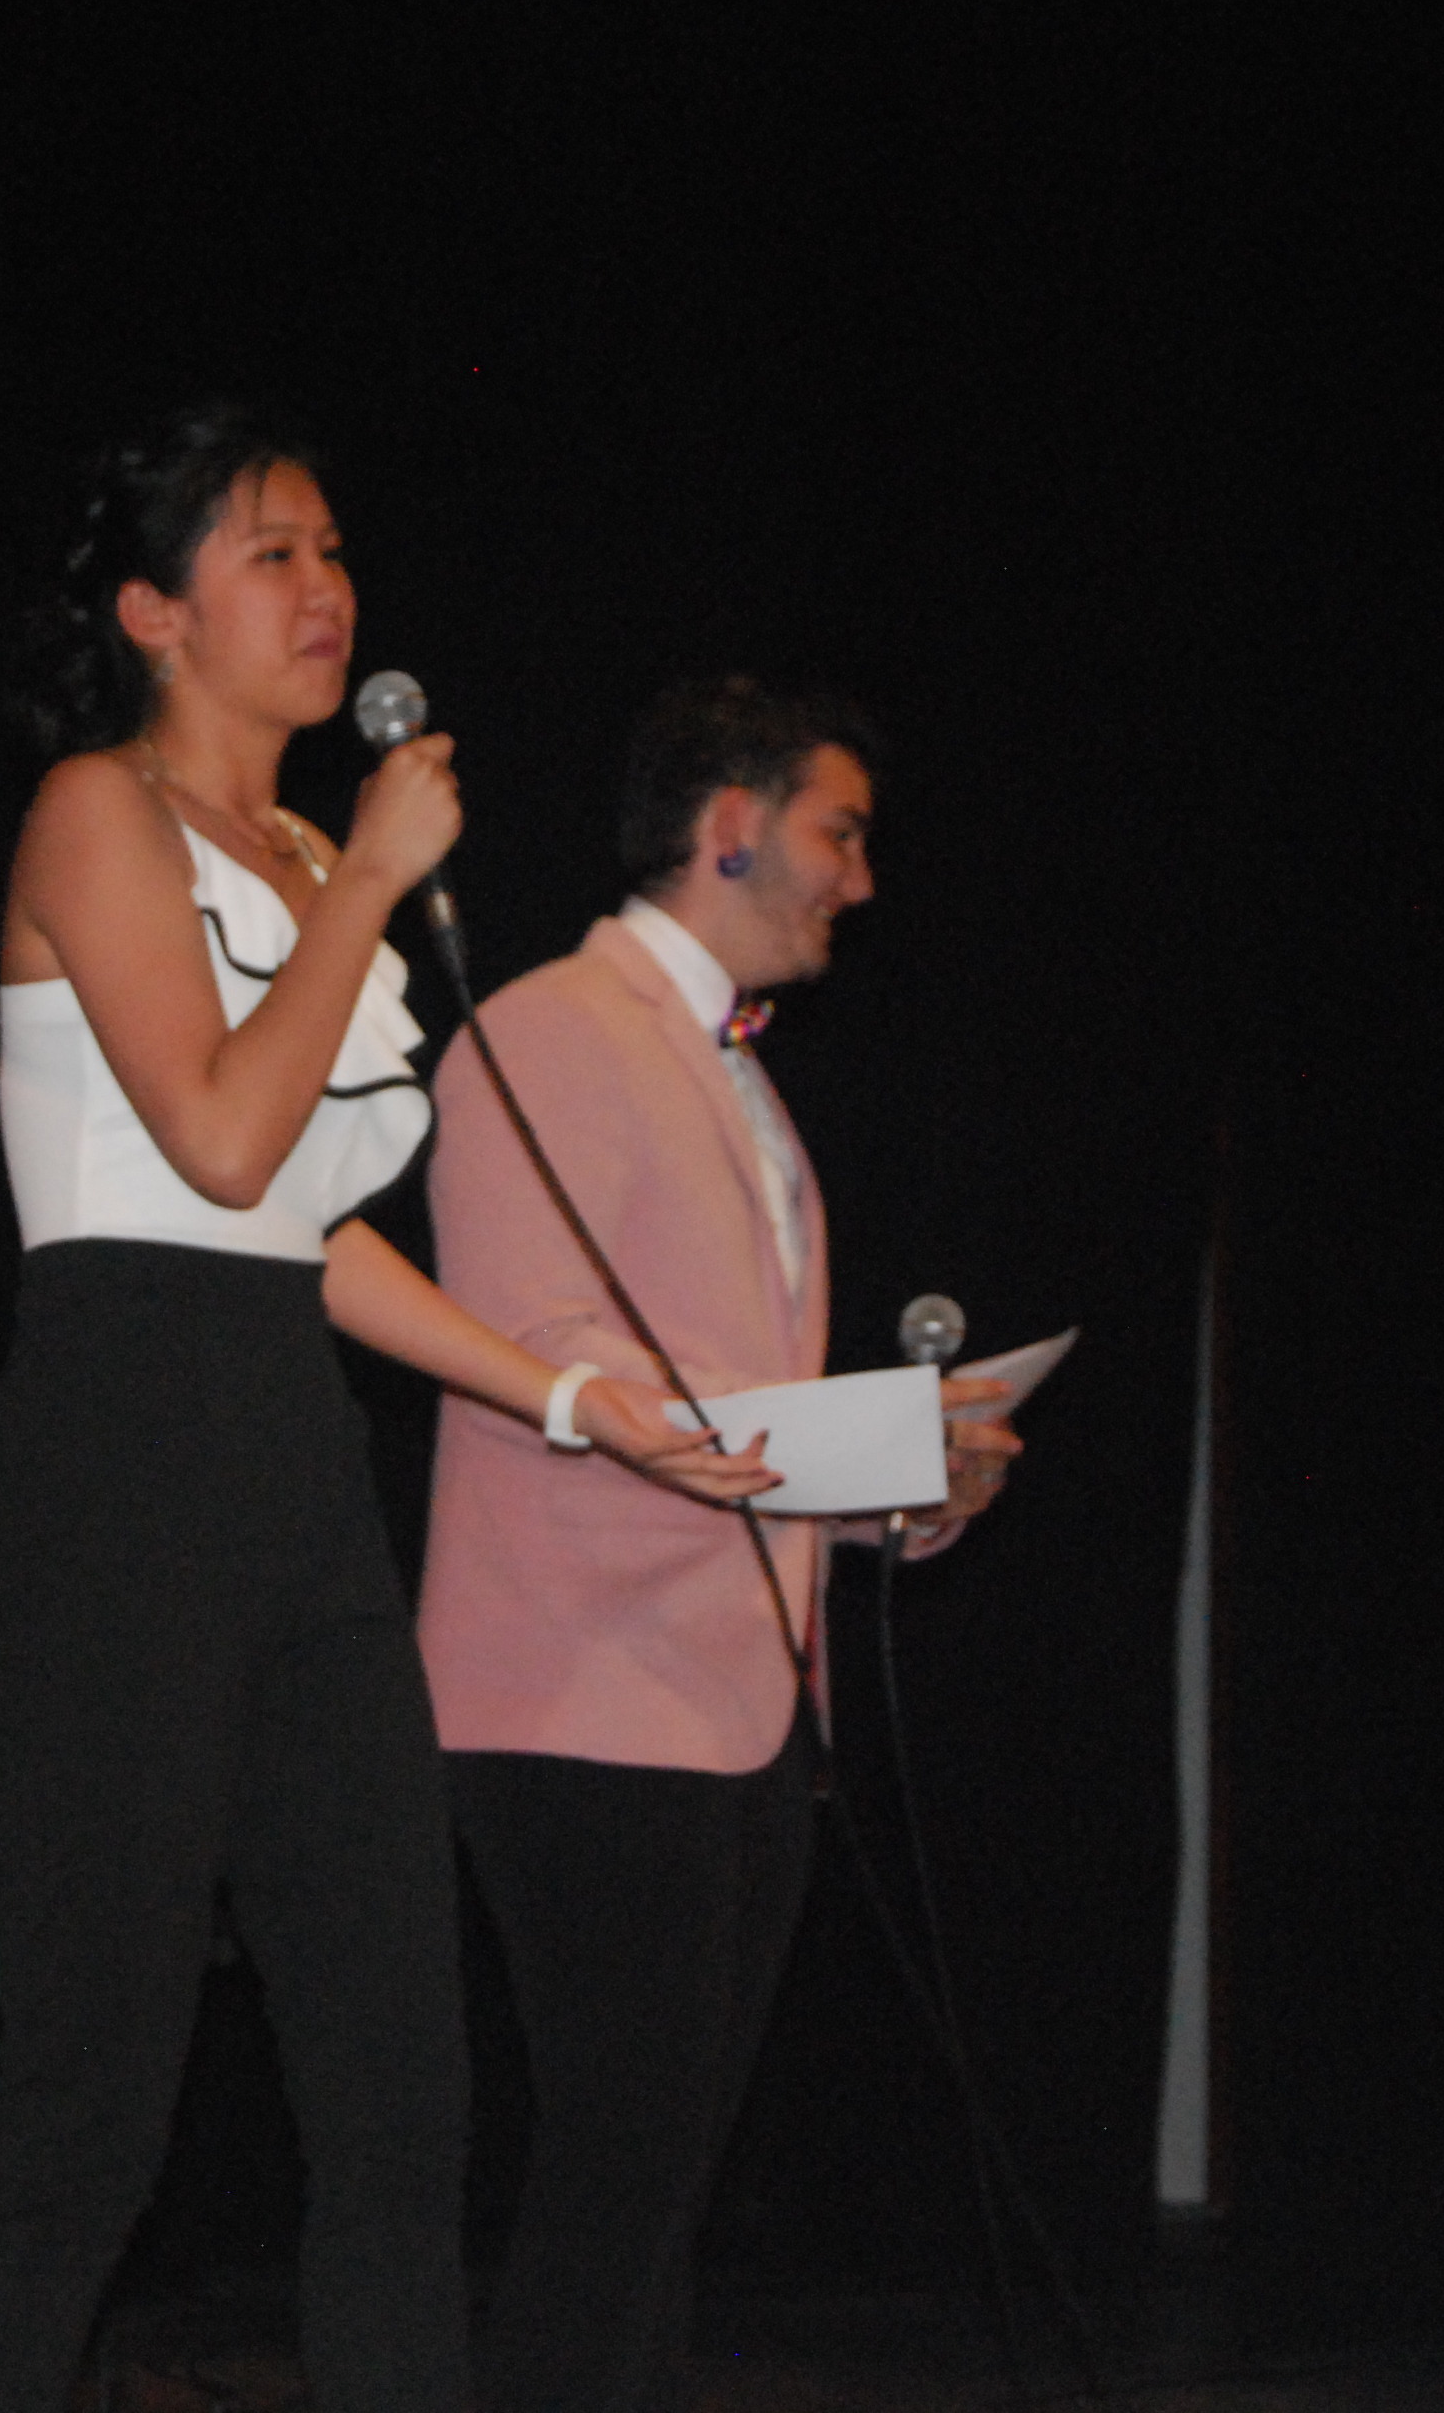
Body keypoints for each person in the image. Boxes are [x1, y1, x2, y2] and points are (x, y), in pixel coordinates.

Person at [0, 405, 773, 2413]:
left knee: (402, 2102)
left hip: (292, 1473)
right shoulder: (95, 816)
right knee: (91, 2118)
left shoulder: (310, 864)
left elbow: (309, 1236)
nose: (328, 592)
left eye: (333, 552)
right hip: (115, 1459)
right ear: (154, 614)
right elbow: (219, 1143)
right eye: (273, 555)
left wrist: (572, 1396)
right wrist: (374, 882)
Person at [418, 674, 1023, 2413]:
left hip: (736, 1700)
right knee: (622, 2169)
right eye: (842, 832)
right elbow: (569, 1365)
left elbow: (725, 1396)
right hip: (582, 1693)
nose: (862, 878)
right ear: (731, 827)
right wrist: (874, 1438)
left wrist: (901, 1488)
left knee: (657, 2184)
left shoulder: (732, 1072)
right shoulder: (547, 1030)